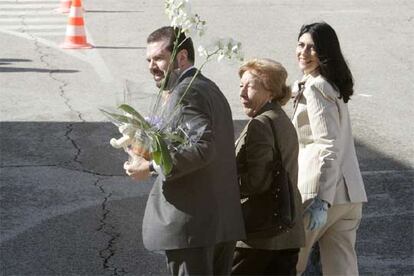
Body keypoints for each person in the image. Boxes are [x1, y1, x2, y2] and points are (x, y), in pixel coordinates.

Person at [123, 26, 246, 276]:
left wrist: (150, 167)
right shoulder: (208, 88)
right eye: (148, 59)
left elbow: (202, 147)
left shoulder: (186, 92)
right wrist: (147, 149)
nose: (151, 65)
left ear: (181, 57)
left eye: (158, 58)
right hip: (216, 224)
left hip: (193, 230)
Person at [291, 22, 368, 275]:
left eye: (312, 48)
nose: (304, 52)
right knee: (342, 269)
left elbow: (328, 146)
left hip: (321, 194)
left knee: (290, 263)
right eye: (301, 45)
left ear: (325, 53)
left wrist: (322, 201)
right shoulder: (328, 85)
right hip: (350, 196)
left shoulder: (316, 88)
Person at [231, 58, 305, 275]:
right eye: (241, 86)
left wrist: (221, 181)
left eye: (250, 87)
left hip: (260, 236)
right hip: (287, 231)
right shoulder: (280, 119)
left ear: (271, 92)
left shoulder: (260, 124)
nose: (242, 93)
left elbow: (257, 181)